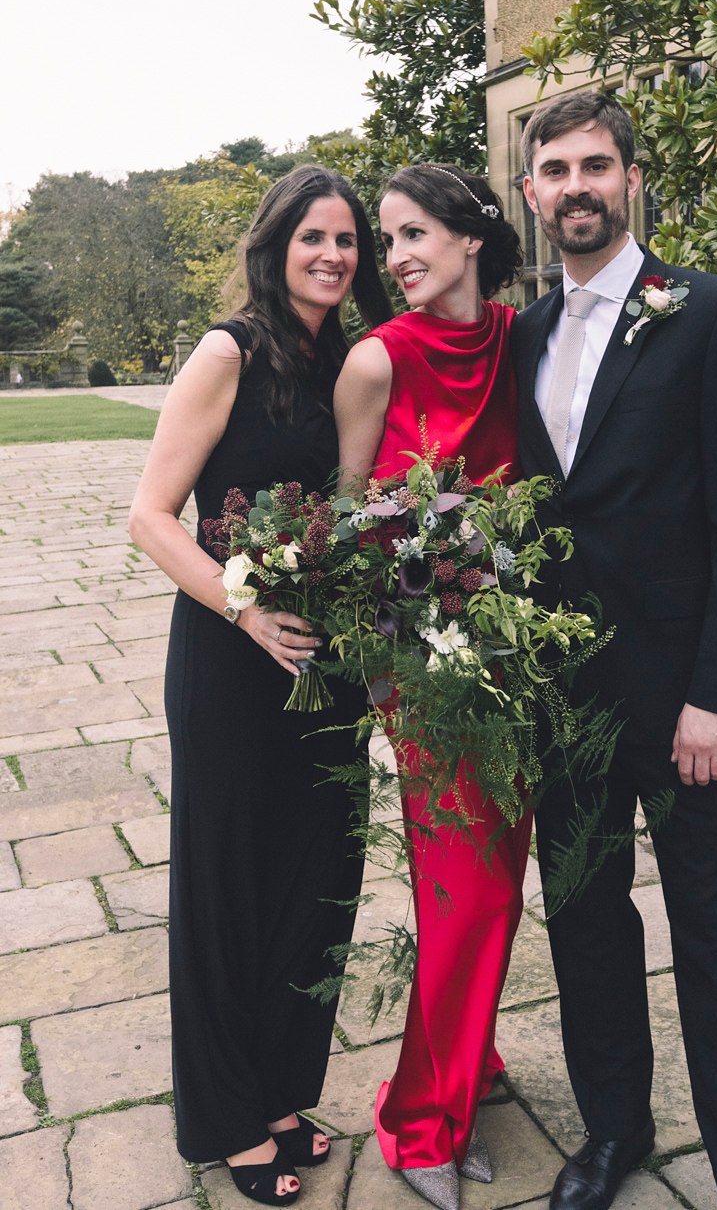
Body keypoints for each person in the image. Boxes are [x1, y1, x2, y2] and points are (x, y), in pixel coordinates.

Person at [512, 91, 717, 1210]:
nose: (575, 186)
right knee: (585, 922)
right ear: (531, 193)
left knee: (715, 943)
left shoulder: (713, 313)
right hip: (562, 705)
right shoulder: (523, 334)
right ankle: (614, 1128)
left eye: (594, 165)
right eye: (555, 170)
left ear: (631, 177)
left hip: (686, 713)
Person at [129, 165, 392, 1206]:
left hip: (323, 661)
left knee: (314, 886)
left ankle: (284, 1092)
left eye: (347, 241)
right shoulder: (224, 351)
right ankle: (230, 1118)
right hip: (231, 664)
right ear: (275, 245)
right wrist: (241, 608)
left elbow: (357, 503)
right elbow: (151, 514)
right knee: (228, 887)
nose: (333, 256)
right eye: (313, 238)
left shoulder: (351, 361)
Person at [334, 163, 529, 1210]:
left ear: (469, 238)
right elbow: (346, 525)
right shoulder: (379, 359)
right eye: (388, 239)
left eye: (414, 235)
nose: (395, 256)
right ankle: (416, 1127)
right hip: (426, 664)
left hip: (516, 656)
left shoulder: (519, 339)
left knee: (502, 880)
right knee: (469, 889)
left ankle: (467, 1071)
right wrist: (385, 665)